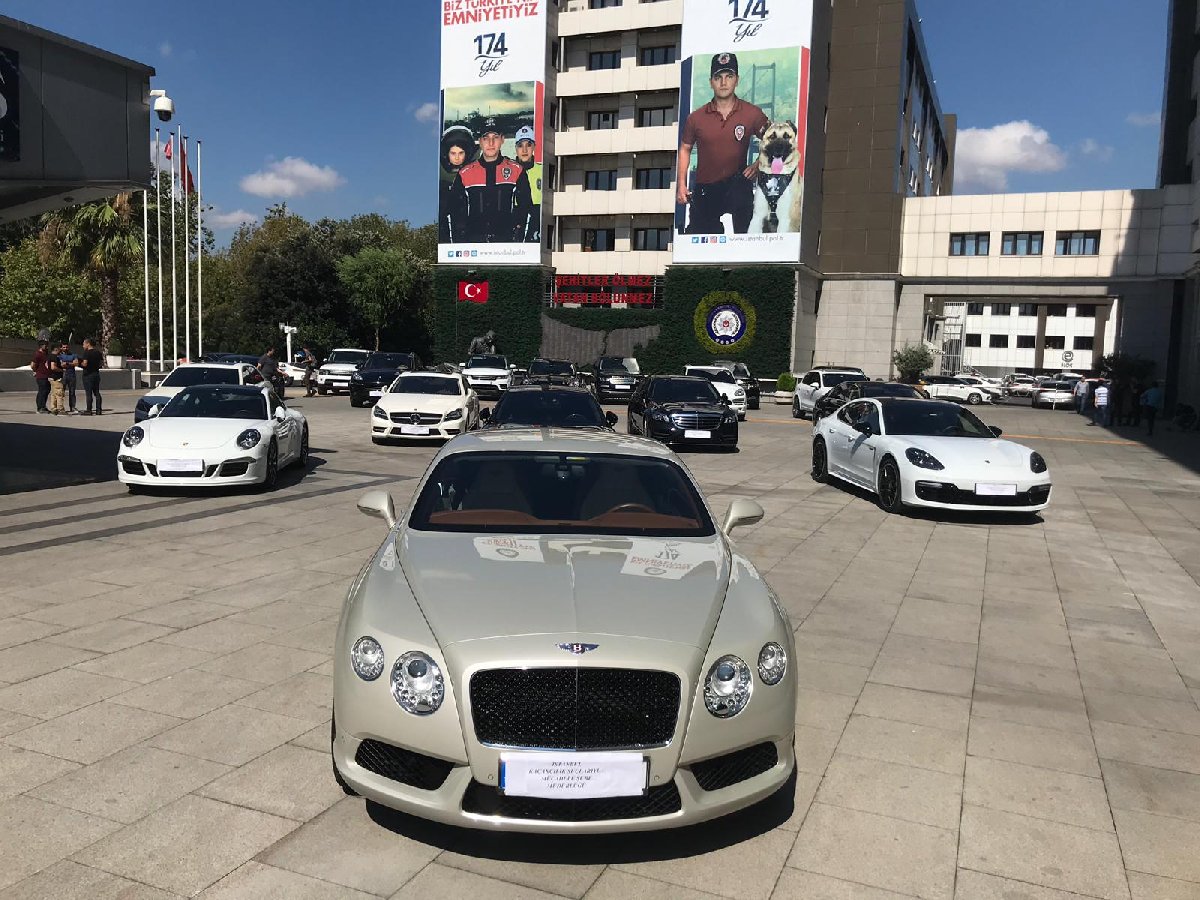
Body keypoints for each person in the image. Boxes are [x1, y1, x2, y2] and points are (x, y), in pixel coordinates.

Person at [676, 52, 769, 235]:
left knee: (748, 238)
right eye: (718, 77)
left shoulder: (752, 113)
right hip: (706, 187)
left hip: (738, 183)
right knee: (700, 242)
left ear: (737, 80)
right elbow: (685, 148)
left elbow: (773, 138)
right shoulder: (696, 118)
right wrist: (681, 184)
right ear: (711, 82)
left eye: (729, 76)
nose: (724, 82)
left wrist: (758, 164)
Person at [449, 117, 534, 243]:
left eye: (495, 137)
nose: (491, 143)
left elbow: (525, 208)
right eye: (486, 138)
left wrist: (518, 239)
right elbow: (455, 212)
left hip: (506, 244)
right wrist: (460, 243)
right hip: (473, 244)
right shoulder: (465, 173)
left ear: (502, 139)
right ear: (480, 141)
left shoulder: (516, 170)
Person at [439, 126, 476, 243]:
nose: (456, 158)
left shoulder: (475, 173)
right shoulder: (439, 174)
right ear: (446, 153)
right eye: (453, 153)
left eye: (461, 153)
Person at [514, 125, 541, 243]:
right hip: (516, 217)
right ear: (516, 148)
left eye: (528, 145)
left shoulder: (543, 170)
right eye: (520, 145)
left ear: (534, 146)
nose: (524, 150)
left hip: (537, 220)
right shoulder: (508, 171)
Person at [78, 338, 104, 415]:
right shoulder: (98, 352)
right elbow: (101, 363)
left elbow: (85, 364)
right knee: (97, 392)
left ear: (88, 344)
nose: (83, 346)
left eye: (84, 344)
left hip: (88, 375)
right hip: (96, 374)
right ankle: (98, 410)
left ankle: (89, 410)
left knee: (88, 393)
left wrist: (78, 364)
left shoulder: (87, 353)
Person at [58, 342, 80, 415]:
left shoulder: (73, 355)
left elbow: (76, 363)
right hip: (63, 375)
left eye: (66, 347)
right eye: (64, 347)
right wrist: (71, 363)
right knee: (61, 392)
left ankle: (72, 407)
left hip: (72, 375)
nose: (65, 348)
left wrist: (67, 363)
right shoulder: (59, 356)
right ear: (61, 348)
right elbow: (62, 365)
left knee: (72, 392)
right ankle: (60, 407)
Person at [30, 339, 51, 413]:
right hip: (41, 376)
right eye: (46, 345)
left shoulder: (46, 353)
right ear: (41, 346)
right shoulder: (38, 354)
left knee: (47, 390)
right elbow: (32, 365)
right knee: (42, 391)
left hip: (47, 376)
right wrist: (35, 371)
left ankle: (43, 406)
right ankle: (40, 407)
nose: (47, 347)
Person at [46, 347, 65, 415]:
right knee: (59, 393)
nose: (61, 350)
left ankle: (53, 408)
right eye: (59, 349)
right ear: (56, 349)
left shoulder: (49, 356)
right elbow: (53, 367)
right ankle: (60, 409)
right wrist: (61, 370)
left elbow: (47, 365)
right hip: (56, 378)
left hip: (51, 377)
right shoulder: (54, 356)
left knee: (53, 394)